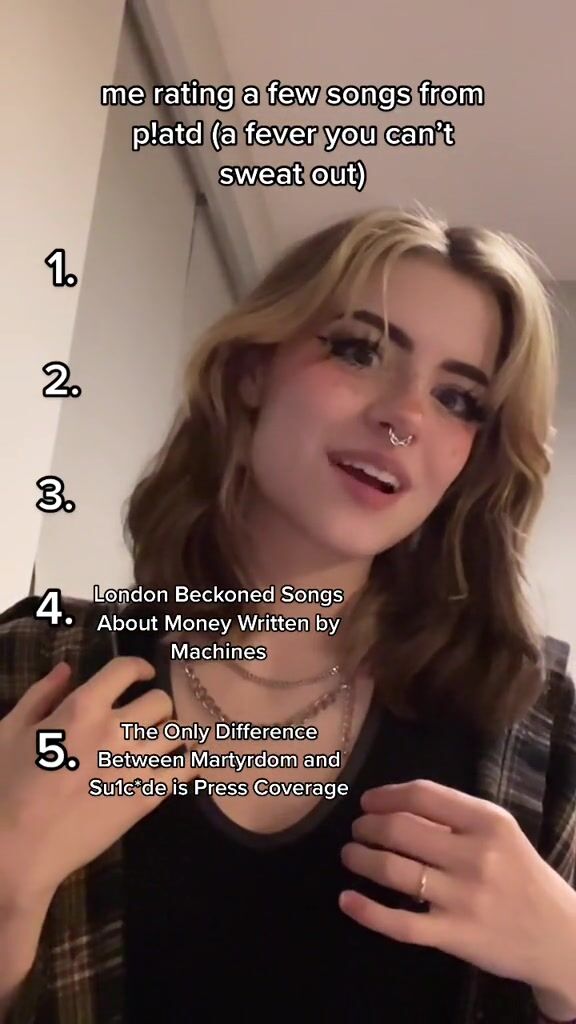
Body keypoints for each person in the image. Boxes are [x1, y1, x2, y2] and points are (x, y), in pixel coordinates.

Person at [0, 207, 575, 1024]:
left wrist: (566, 951)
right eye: (359, 350)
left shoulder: (535, 728)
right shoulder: (36, 671)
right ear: (251, 370)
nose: (405, 417)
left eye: (457, 398)